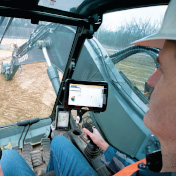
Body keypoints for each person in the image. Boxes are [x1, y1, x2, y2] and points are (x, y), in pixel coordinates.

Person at [1, 0, 176, 175]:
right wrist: (105, 146)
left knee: (8, 156)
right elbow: (135, 169)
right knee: (59, 142)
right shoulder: (159, 164)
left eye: (163, 70)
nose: (150, 81)